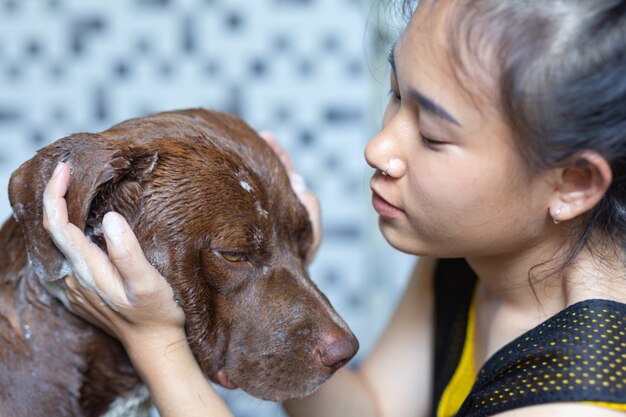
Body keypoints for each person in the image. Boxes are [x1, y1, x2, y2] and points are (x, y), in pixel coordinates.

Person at [41, 0, 626, 416]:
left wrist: (157, 344)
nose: (379, 148)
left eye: (434, 136)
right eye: (396, 95)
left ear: (572, 182)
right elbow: (372, 410)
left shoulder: (580, 400)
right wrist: (283, 272)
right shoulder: (480, 254)